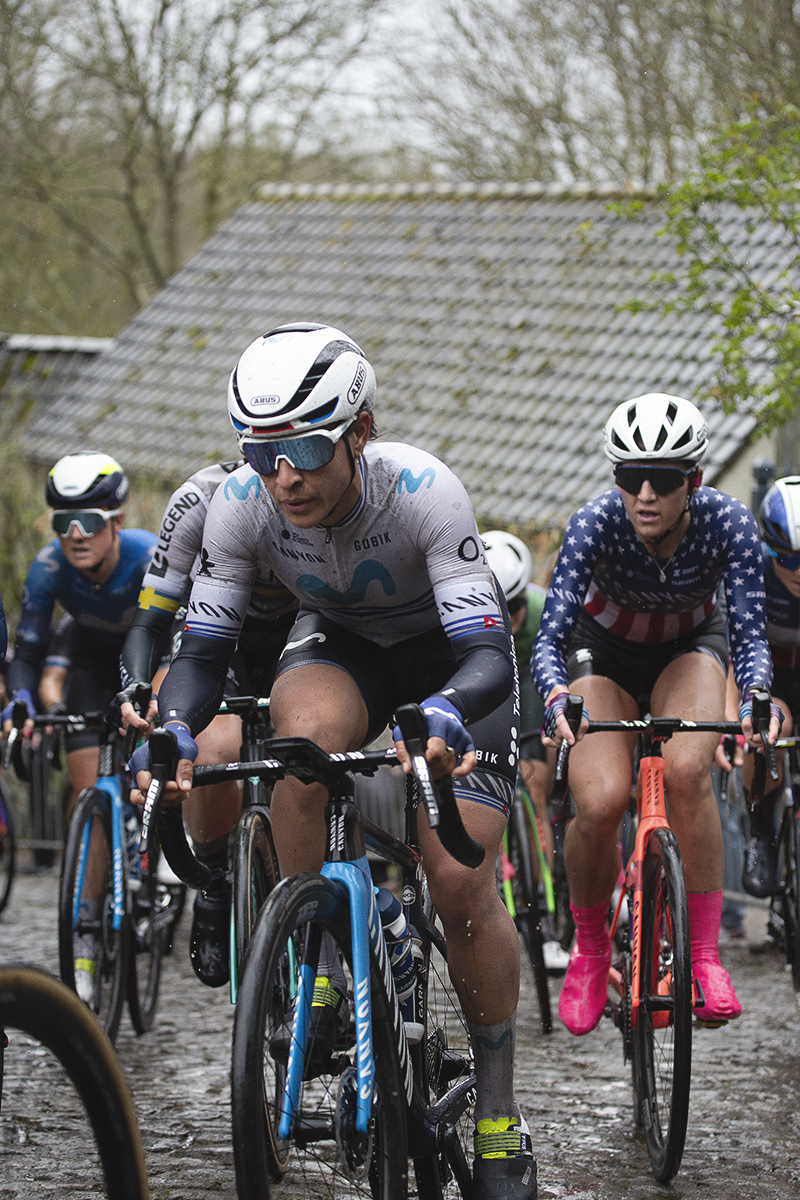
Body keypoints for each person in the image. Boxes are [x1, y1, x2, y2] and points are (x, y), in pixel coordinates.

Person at [132, 322, 537, 1197]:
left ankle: (501, 1114)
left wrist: (443, 713)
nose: (284, 476)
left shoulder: (424, 490)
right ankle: (314, 960)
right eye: (262, 451)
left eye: (307, 449)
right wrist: (170, 729)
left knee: (461, 883)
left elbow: (488, 653)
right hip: (345, 644)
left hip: (454, 666)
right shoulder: (245, 503)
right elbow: (201, 656)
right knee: (295, 749)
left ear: (359, 432)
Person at [532, 392, 780, 1035]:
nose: (644, 493)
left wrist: (753, 699)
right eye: (628, 477)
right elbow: (549, 635)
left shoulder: (727, 523)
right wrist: (557, 696)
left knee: (689, 773)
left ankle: (701, 957)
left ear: (692, 482)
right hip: (604, 653)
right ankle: (589, 949)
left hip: (689, 649)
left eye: (663, 480)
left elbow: (751, 635)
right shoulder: (594, 524)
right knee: (603, 797)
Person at [118, 461, 298, 987]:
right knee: (213, 750)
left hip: (305, 630)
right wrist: (135, 685)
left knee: (312, 752)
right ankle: (216, 880)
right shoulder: (199, 497)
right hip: (219, 635)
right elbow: (149, 619)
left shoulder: (322, 487)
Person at [2, 453, 156, 1002]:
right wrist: (21, 697)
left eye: (88, 521)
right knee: (92, 794)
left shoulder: (147, 556)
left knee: (155, 759)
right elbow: (30, 649)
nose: (74, 534)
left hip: (149, 658)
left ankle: (153, 855)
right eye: (61, 522)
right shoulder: (48, 568)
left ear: (116, 520)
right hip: (91, 667)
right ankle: (87, 923)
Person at [482, 530, 569, 973]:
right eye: (503, 611)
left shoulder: (541, 610)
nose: (513, 619)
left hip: (533, 681)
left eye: (517, 608)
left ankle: (549, 914)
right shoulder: (464, 610)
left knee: (535, 783)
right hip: (486, 674)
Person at [736, 475, 800, 897]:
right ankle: (760, 831)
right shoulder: (754, 567)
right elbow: (734, 648)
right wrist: (736, 710)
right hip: (771, 675)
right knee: (768, 731)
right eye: (788, 560)